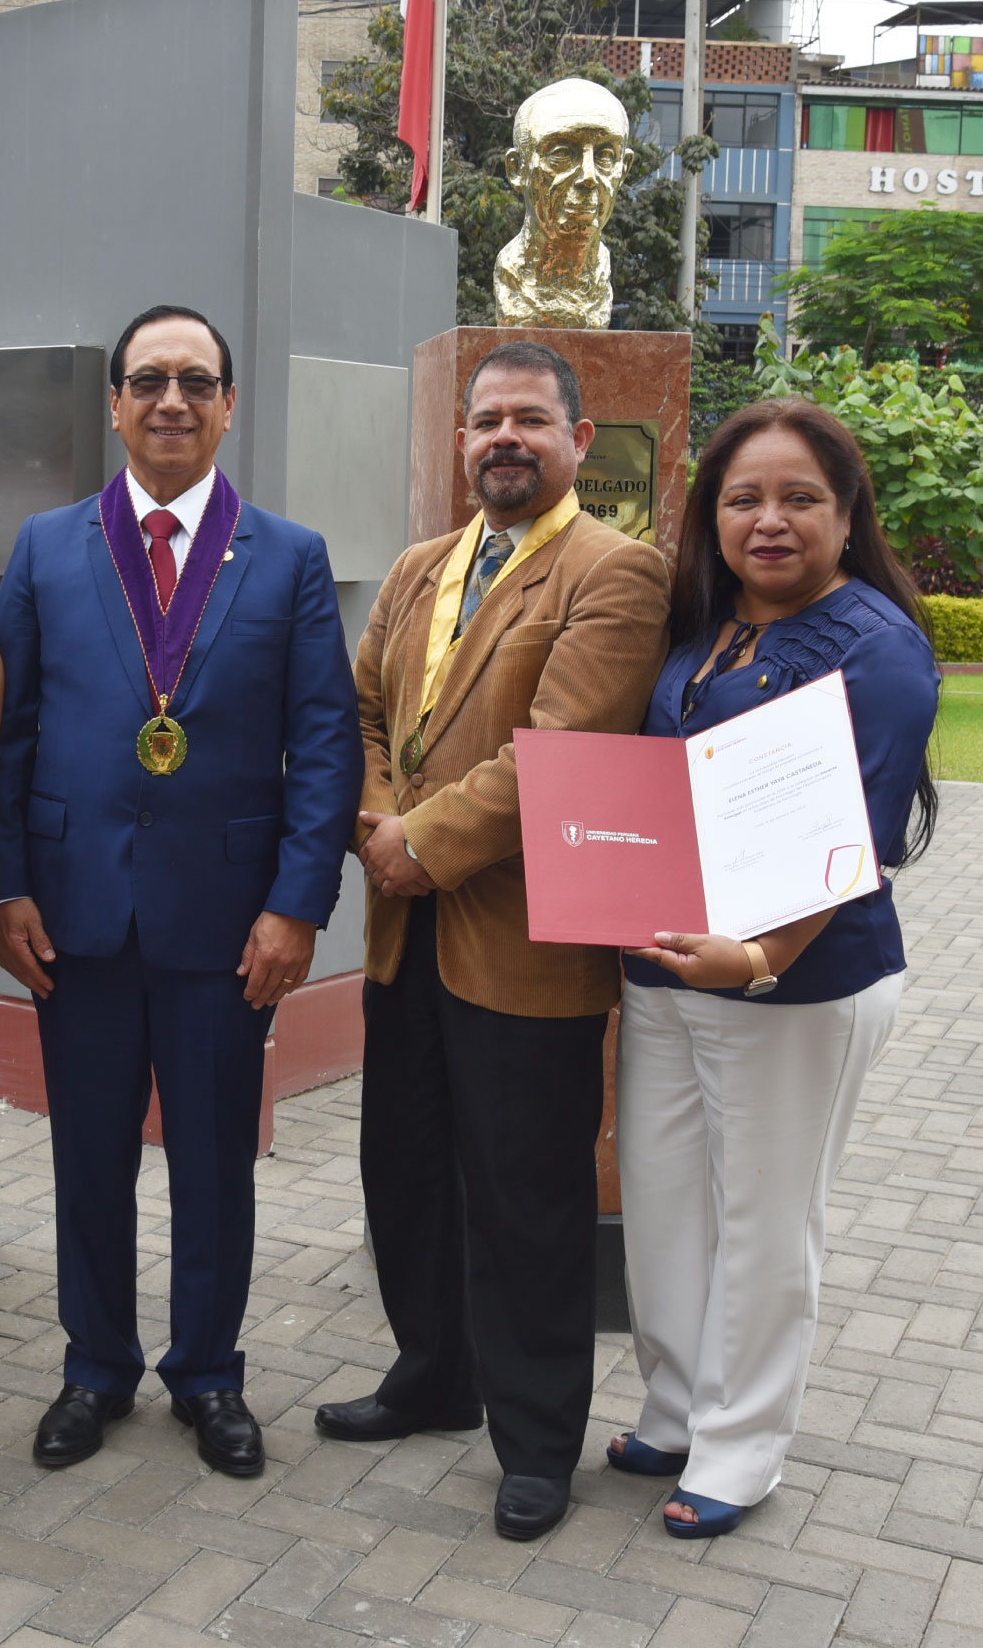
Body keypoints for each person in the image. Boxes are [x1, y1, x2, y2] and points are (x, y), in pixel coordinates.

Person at [0, 304, 361, 1478]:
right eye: (147, 380)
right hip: (76, 914)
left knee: (211, 1164)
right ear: (113, 402)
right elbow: (6, 733)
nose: (170, 402)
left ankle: (208, 1372)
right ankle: (93, 1365)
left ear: (227, 404)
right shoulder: (45, 548)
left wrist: (296, 905)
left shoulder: (288, 556)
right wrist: (4, 888)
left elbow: (324, 742)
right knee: (85, 1158)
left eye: (195, 382)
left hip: (225, 922)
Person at [317, 339, 670, 1543]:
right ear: (458, 440)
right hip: (400, 930)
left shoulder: (615, 574)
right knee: (405, 1173)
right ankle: (432, 1376)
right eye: (483, 421)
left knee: (525, 1200)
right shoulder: (421, 569)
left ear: (577, 440)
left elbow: (555, 752)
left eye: (529, 418)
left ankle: (533, 1440)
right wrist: (375, 822)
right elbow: (361, 709)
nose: (502, 438)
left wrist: (414, 840)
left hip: (521, 936)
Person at [608, 398, 940, 1541]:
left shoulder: (876, 650)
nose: (768, 520)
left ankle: (739, 1447)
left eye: (799, 497)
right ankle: (671, 1404)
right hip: (661, 970)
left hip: (795, 982)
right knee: (662, 1204)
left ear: (846, 516)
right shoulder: (700, 629)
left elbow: (851, 839)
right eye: (743, 497)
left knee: (760, 1217)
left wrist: (754, 955)